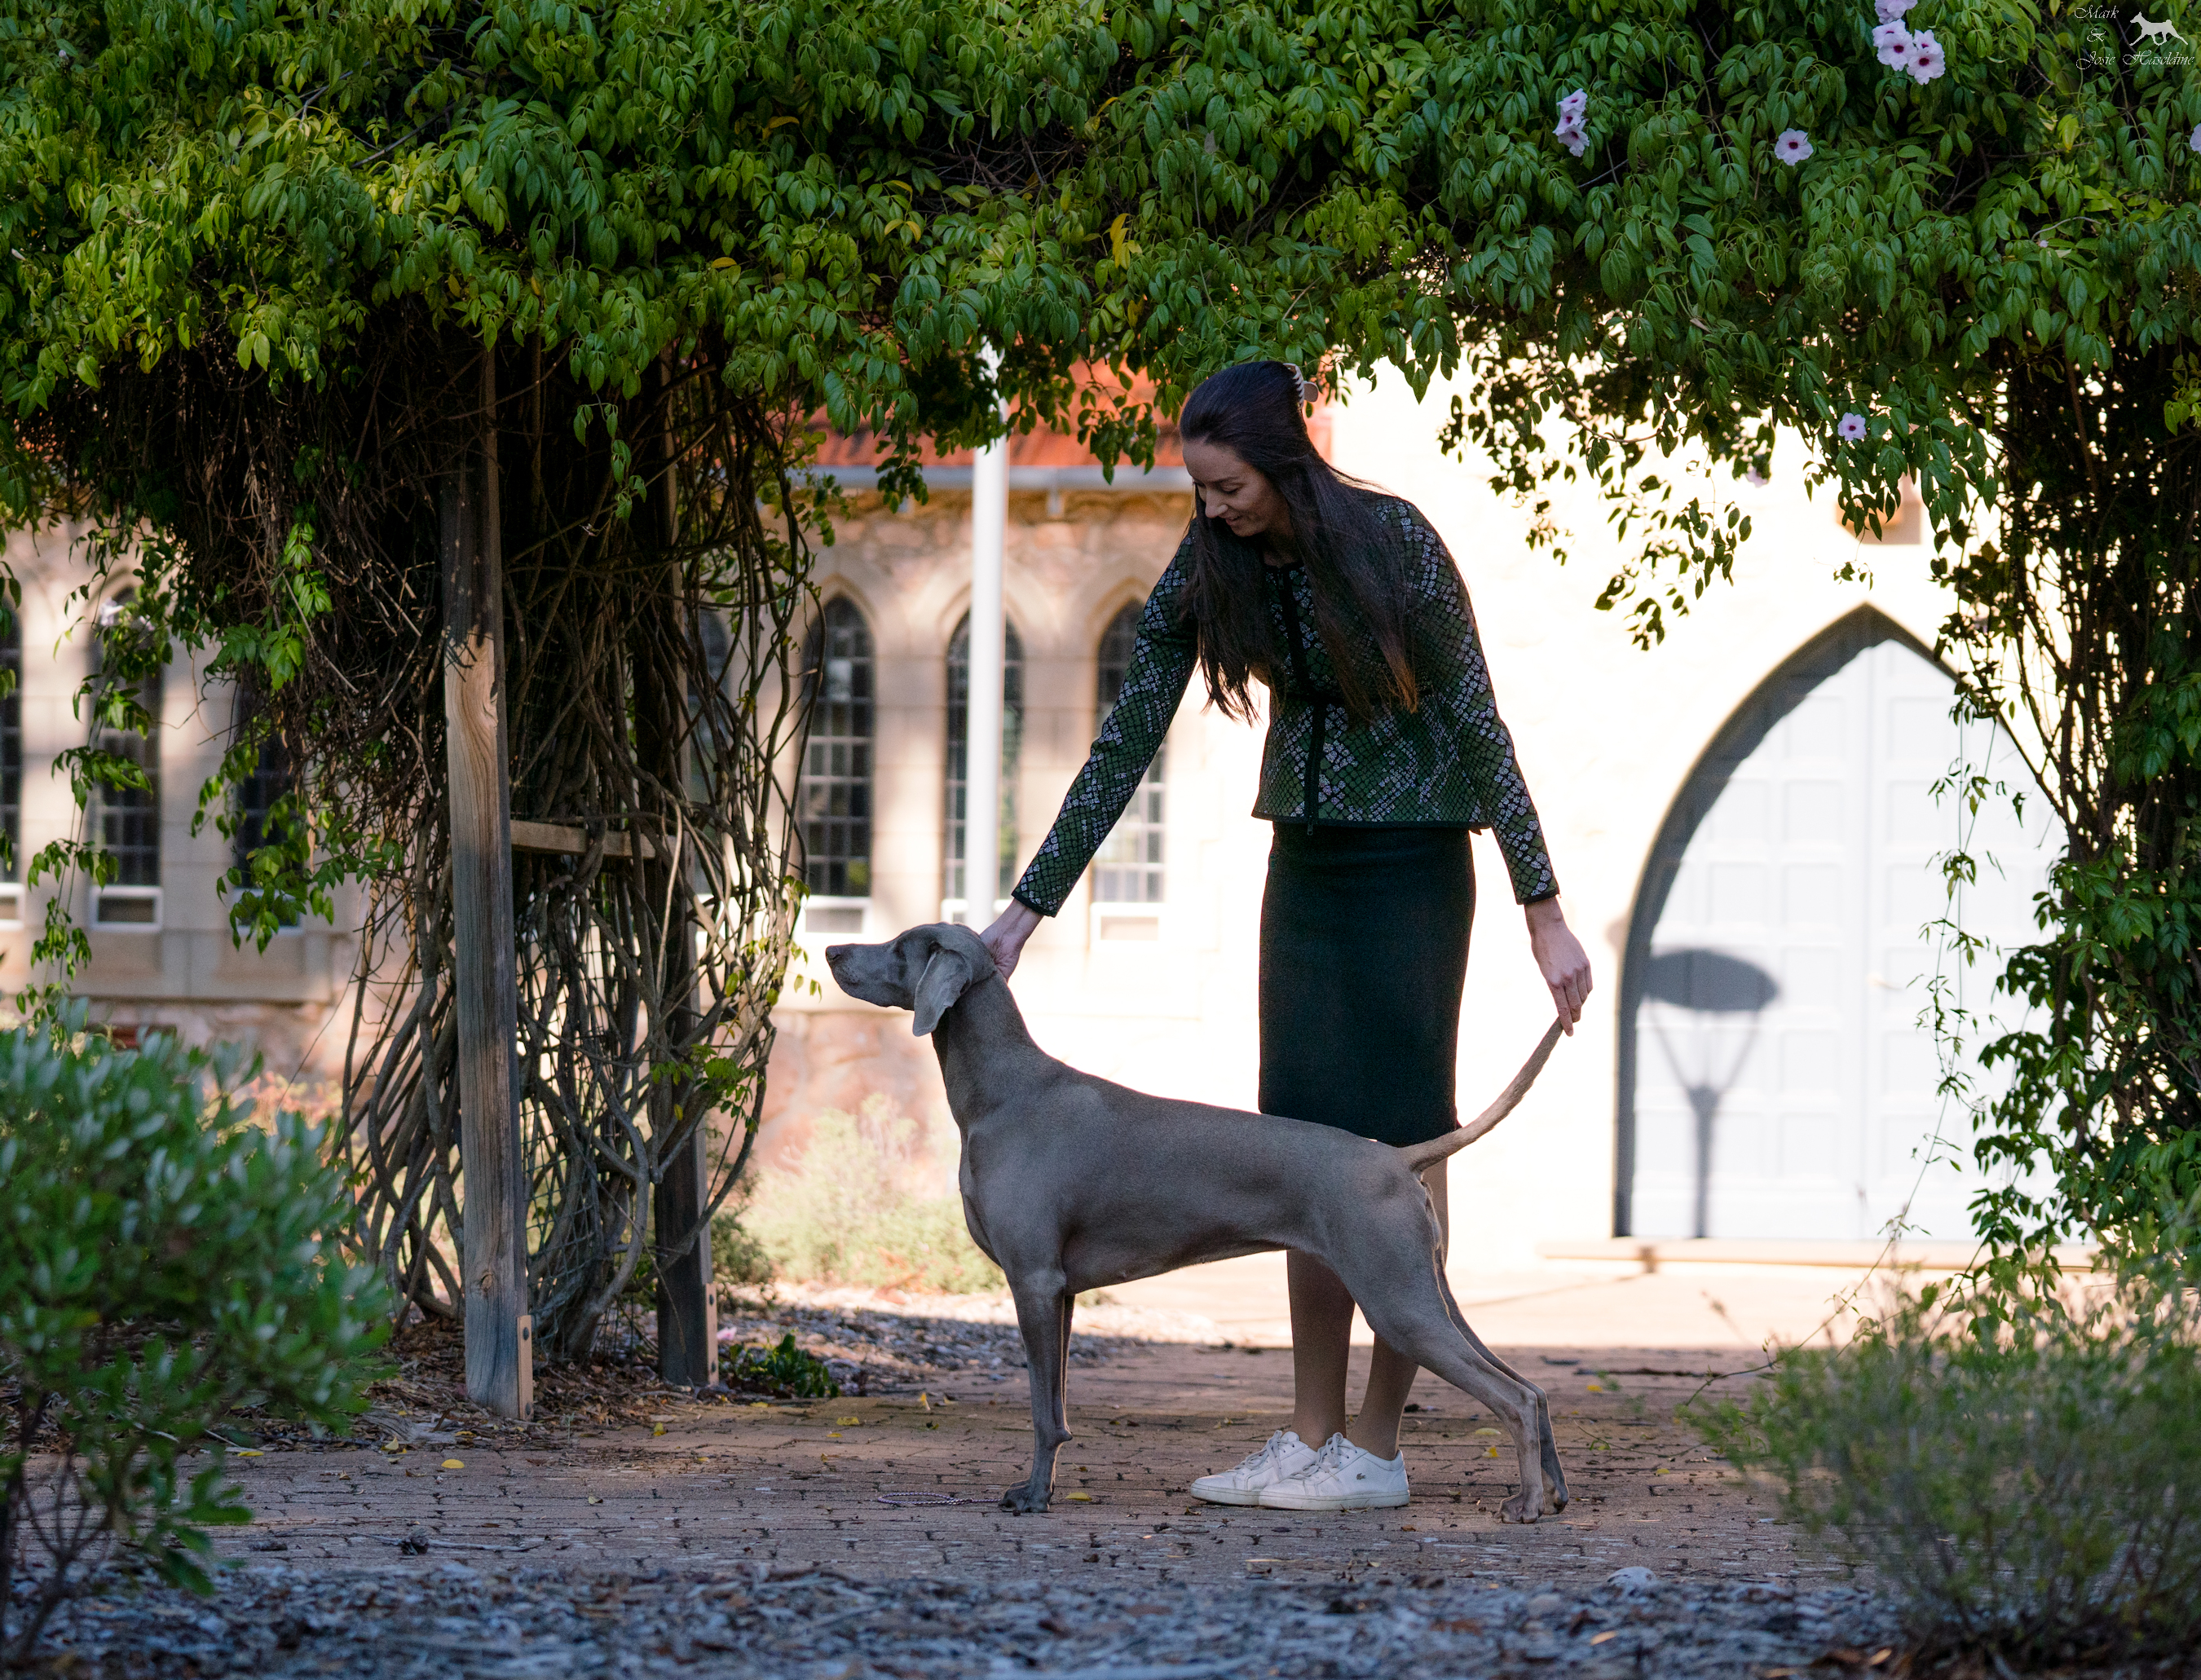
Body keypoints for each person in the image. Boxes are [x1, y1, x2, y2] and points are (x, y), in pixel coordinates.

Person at [978, 360, 1592, 1513]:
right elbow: (1124, 742)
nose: (1212, 508)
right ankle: (1310, 1436)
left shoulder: (1396, 542)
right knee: (1299, 1150)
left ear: (1282, 460)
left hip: (1412, 868)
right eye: (1201, 491)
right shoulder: (1212, 561)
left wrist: (1541, 904)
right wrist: (1029, 906)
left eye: (1227, 487)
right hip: (1303, 869)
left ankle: (1375, 1446)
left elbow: (1475, 718)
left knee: (1401, 1144)